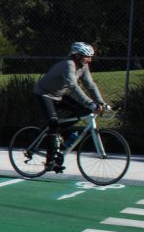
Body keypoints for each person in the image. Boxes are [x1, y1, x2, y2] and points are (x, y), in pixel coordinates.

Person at [33, 42, 110, 172]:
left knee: (83, 112)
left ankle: (60, 136)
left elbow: (90, 85)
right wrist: (89, 102)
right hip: (44, 94)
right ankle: (50, 161)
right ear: (77, 55)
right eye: (87, 56)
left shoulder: (83, 66)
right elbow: (73, 86)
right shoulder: (68, 64)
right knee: (53, 122)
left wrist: (101, 102)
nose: (89, 60)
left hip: (59, 96)